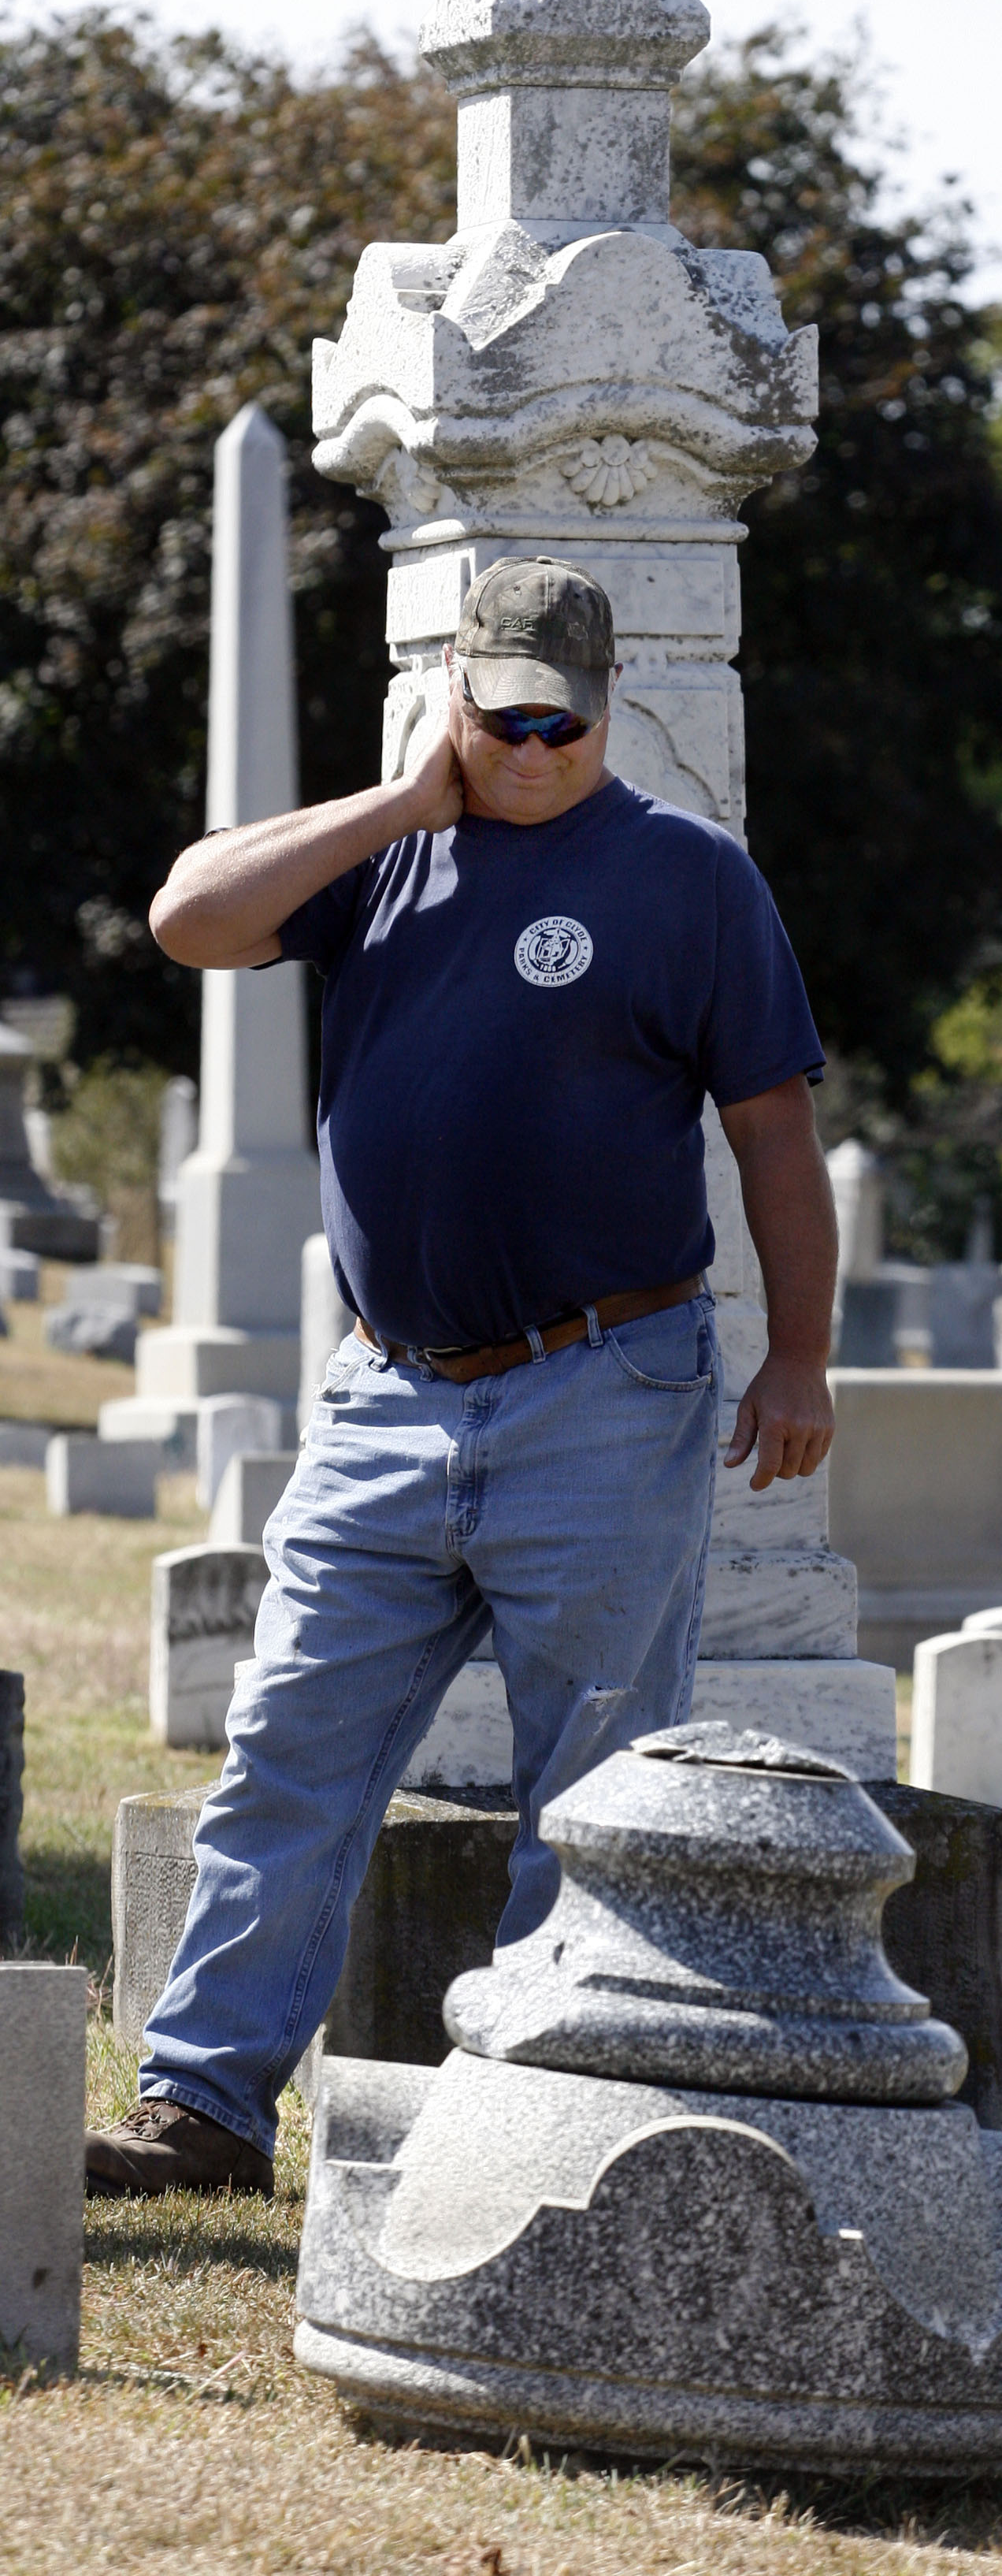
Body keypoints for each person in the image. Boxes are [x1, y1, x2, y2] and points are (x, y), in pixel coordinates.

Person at [86, 556, 837, 2197]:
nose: (533, 749)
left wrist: (799, 1354)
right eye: (503, 719)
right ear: (458, 695)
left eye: (562, 723)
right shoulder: (380, 859)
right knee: (288, 1746)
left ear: (608, 704)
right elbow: (186, 919)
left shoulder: (689, 879)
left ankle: (536, 2113)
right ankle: (203, 2108)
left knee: (592, 1777)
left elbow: (771, 1129)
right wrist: (395, 797)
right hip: (389, 1395)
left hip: (608, 1385)